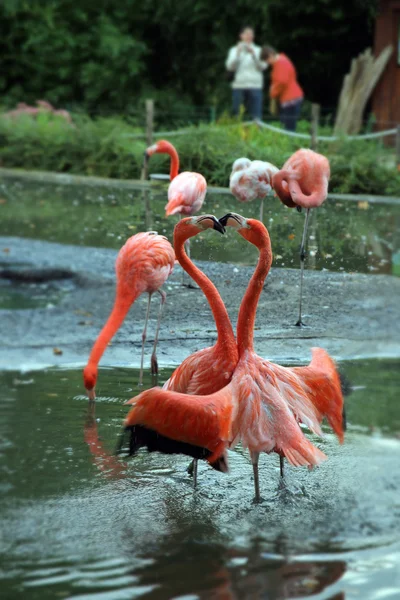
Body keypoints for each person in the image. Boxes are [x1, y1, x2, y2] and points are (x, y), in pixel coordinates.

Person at [226, 26, 267, 120]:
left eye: (251, 34)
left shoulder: (258, 50)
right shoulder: (233, 50)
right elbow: (229, 67)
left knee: (256, 116)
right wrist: (238, 53)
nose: (249, 36)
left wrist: (253, 54)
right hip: (239, 86)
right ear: (241, 36)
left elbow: (263, 66)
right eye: (247, 33)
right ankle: (238, 134)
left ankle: (257, 133)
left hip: (255, 86)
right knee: (238, 115)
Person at [261, 46, 304, 132]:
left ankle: (289, 144)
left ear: (270, 55)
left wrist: (273, 93)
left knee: (288, 128)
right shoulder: (281, 61)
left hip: (290, 99)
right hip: (289, 98)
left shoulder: (281, 63)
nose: (268, 63)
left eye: (267, 60)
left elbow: (282, 82)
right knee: (287, 126)